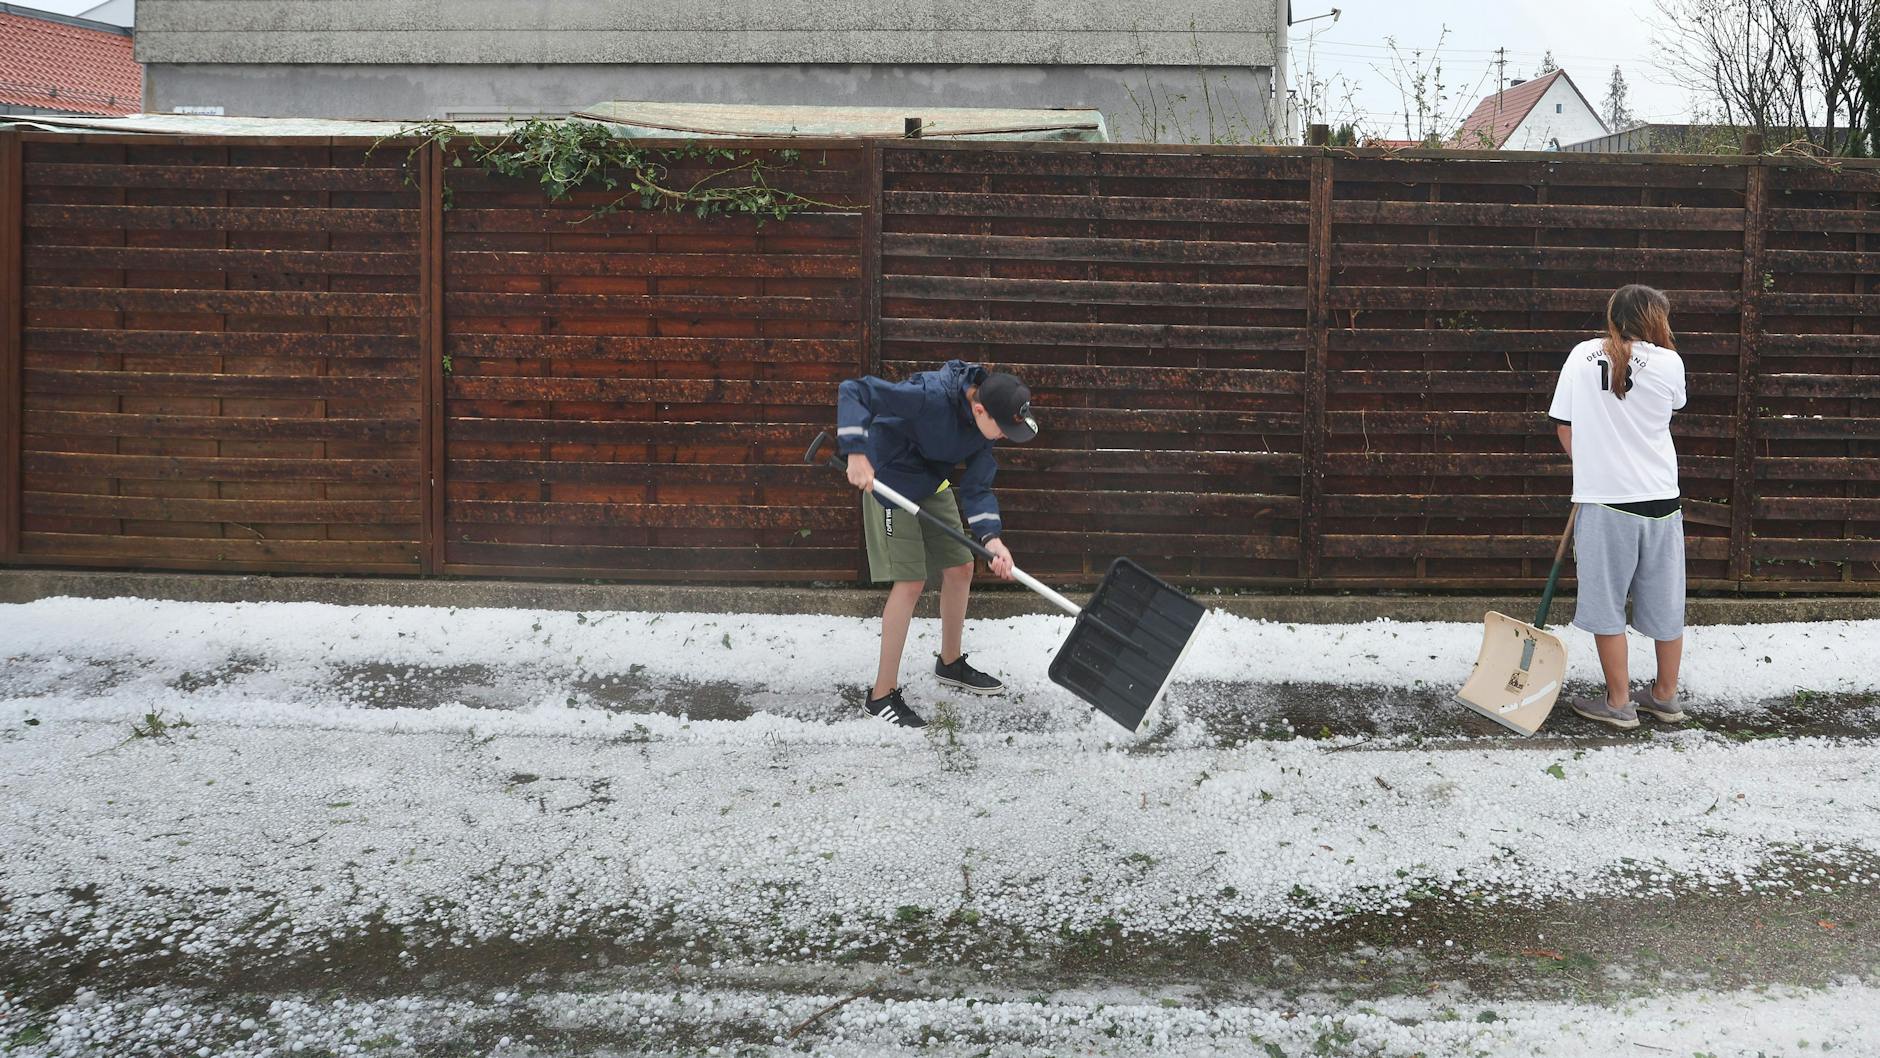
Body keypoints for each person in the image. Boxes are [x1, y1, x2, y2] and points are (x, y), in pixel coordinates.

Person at [836, 360, 1040, 728]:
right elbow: (855, 390)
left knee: (961, 566)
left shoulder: (983, 431)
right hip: (888, 481)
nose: (1004, 436)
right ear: (979, 409)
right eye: (1003, 427)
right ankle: (880, 695)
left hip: (930, 481)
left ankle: (949, 663)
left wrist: (992, 539)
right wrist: (855, 451)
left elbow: (978, 487)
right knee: (911, 581)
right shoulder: (927, 396)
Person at [1548, 284, 1692, 730]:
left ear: (1614, 315)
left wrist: (1593, 469)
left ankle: (1618, 702)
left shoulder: (1581, 354)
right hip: (1662, 498)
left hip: (1606, 500)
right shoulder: (1670, 362)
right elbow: (1670, 408)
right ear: (1657, 319)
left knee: (1606, 603)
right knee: (1667, 600)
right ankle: (1664, 697)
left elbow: (1564, 425)